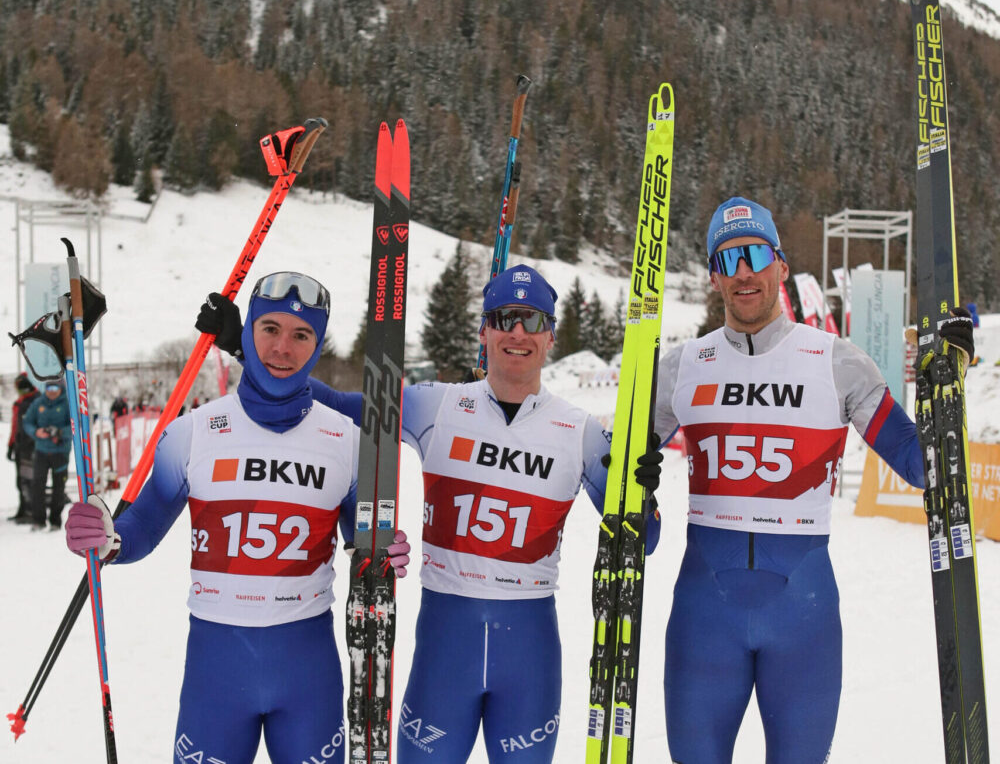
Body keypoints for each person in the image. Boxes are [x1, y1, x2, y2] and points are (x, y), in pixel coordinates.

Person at [196, 262, 664, 763]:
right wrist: (245, 348)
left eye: (533, 320)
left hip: (529, 656)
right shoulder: (437, 407)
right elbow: (335, 403)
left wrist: (643, 492)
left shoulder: (581, 432)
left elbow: (643, 541)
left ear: (551, 336)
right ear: (483, 331)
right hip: (445, 653)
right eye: (505, 318)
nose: (519, 333)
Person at [653, 196, 975, 764]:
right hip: (705, 619)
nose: (744, 272)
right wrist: (636, 505)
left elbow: (924, 464)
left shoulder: (836, 362)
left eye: (754, 255)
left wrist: (945, 383)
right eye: (728, 261)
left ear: (780, 263)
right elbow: (617, 477)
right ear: (713, 278)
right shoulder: (680, 368)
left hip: (802, 618)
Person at [65, 272, 411, 764]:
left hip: (307, 672)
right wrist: (107, 539)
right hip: (217, 675)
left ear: (316, 346)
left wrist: (381, 549)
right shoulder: (192, 433)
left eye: (301, 334)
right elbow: (141, 525)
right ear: (247, 332)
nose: (282, 348)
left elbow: (364, 540)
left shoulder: (348, 441)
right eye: (269, 328)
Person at [23, 377, 73, 531]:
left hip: (60, 452)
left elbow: (74, 427)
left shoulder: (67, 404)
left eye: (54, 389)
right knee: (37, 485)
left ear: (60, 389)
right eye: (48, 389)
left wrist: (59, 432)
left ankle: (55, 521)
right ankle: (38, 520)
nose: (51, 393)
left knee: (59, 487)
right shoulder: (38, 404)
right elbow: (27, 422)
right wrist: (36, 431)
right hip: (41, 451)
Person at [7, 372, 40, 523]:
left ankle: (30, 511)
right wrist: (11, 444)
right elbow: (15, 426)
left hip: (32, 447)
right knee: (21, 481)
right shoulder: (20, 403)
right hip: (21, 447)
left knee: (29, 480)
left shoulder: (36, 401)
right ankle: (23, 509)